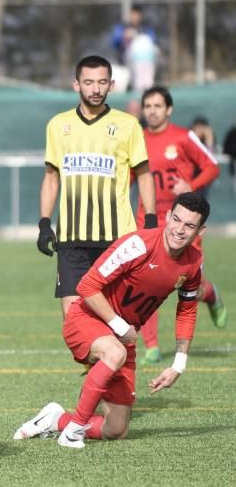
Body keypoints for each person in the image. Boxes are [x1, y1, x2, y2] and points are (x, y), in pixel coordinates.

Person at [14, 192, 210, 449]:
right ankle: (73, 432)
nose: (179, 230)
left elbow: (187, 310)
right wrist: (119, 326)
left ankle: (55, 419)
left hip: (123, 337)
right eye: (176, 219)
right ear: (168, 216)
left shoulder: (194, 263)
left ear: (201, 231)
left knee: (116, 430)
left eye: (189, 225)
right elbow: (87, 286)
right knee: (114, 352)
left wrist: (178, 365)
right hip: (87, 319)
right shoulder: (138, 244)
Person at [37, 55, 157, 318]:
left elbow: (144, 174)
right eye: (88, 82)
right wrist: (45, 223)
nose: (95, 89)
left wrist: (150, 221)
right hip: (71, 240)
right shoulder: (58, 125)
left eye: (102, 82)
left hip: (117, 239)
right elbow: (51, 177)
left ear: (111, 85)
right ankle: (97, 360)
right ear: (76, 85)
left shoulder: (128, 124)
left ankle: (112, 359)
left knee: (116, 318)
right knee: (73, 321)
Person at [136, 87, 225, 364]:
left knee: (187, 286)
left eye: (158, 105)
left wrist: (191, 186)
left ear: (169, 109)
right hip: (149, 219)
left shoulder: (183, 137)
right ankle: (151, 345)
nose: (152, 110)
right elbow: (129, 177)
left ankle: (210, 295)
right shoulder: (136, 139)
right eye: (147, 105)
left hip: (183, 222)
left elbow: (212, 167)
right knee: (144, 281)